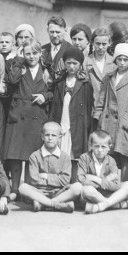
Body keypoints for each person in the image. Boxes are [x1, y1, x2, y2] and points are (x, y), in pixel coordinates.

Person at [2, 40, 53, 200]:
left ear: (40, 54)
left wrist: (45, 96)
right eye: (27, 53)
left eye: (34, 53)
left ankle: (28, 189)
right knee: (16, 155)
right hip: (18, 115)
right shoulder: (19, 67)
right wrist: (18, 61)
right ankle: (15, 189)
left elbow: (53, 92)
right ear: (22, 54)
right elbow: (11, 81)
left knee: (32, 155)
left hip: (37, 116)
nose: (31, 56)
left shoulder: (46, 71)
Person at [93, 44, 128, 187]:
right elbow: (101, 100)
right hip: (107, 123)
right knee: (108, 156)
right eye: (119, 59)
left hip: (125, 122)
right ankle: (109, 185)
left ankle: (127, 186)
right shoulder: (108, 77)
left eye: (125, 60)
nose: (122, 63)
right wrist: (98, 118)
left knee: (126, 155)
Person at [49, 46, 94, 182]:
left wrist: (86, 127)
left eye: (75, 63)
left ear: (80, 65)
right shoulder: (60, 82)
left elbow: (88, 107)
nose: (72, 66)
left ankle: (74, 182)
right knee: (60, 155)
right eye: (68, 63)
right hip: (62, 121)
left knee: (74, 156)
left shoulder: (85, 83)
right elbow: (54, 105)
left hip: (76, 124)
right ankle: (60, 183)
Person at [18, 122, 82, 213]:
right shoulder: (34, 156)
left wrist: (45, 176)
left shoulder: (65, 157)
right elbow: (34, 179)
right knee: (23, 187)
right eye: (47, 135)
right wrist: (56, 178)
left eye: (53, 135)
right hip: (39, 192)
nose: (50, 138)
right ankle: (56, 205)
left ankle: (44, 205)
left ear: (59, 137)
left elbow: (65, 180)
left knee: (78, 187)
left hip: (59, 192)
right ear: (42, 137)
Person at [77, 131, 128, 214]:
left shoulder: (111, 161)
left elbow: (116, 185)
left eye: (103, 147)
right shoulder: (84, 158)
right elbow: (81, 180)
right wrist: (107, 181)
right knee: (86, 190)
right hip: (93, 195)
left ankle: (103, 205)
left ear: (109, 148)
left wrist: (98, 180)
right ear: (90, 146)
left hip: (109, 193)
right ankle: (118, 205)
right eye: (96, 146)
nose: (99, 150)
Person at [87, 27, 116, 102]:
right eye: (98, 43)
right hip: (91, 106)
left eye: (104, 44)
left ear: (109, 43)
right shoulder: (86, 62)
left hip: (108, 107)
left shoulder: (114, 63)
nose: (100, 47)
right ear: (92, 42)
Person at [41, 16, 70, 80]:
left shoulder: (71, 50)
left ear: (65, 30)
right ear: (47, 30)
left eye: (58, 32)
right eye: (51, 32)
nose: (54, 35)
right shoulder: (42, 49)